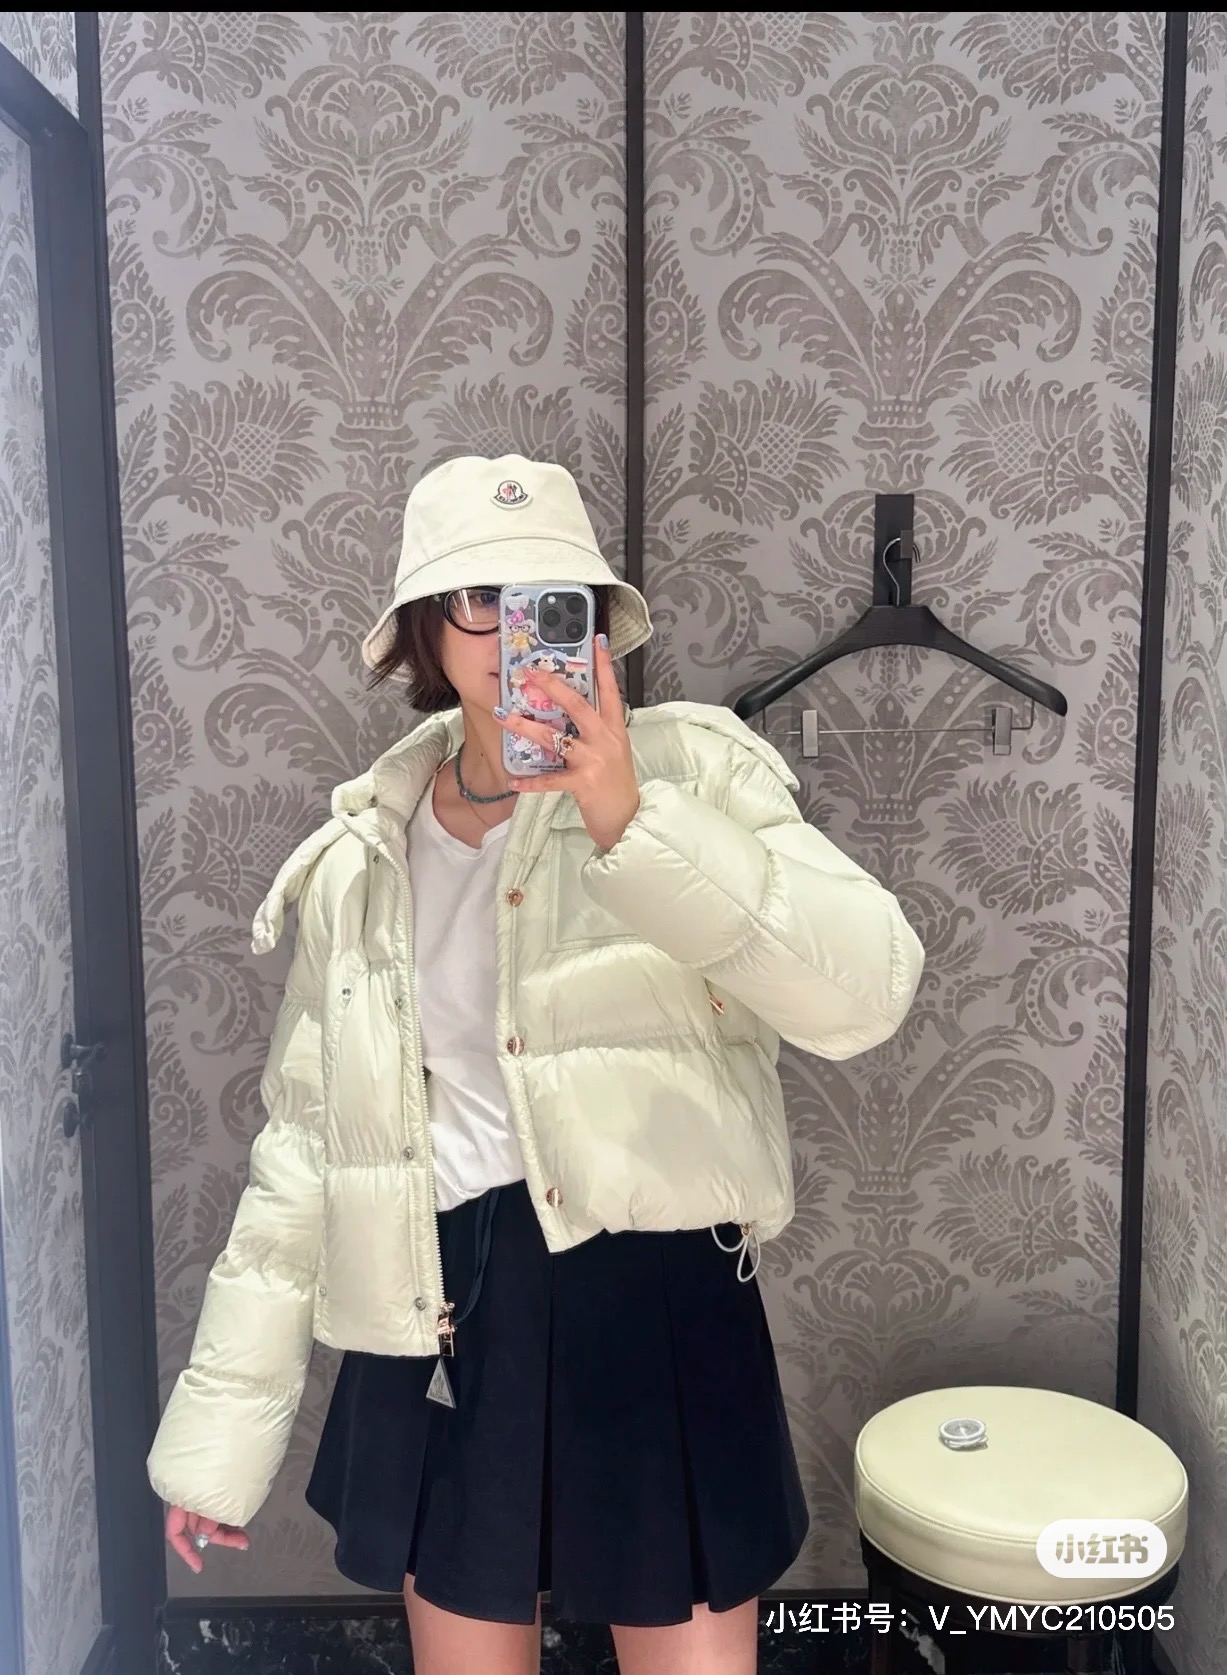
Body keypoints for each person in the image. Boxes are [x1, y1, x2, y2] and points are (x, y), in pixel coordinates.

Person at [147, 454, 925, 1674]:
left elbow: (866, 989)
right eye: (478, 597)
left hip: (658, 1302)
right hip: (441, 1307)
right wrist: (217, 1445)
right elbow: (305, 1149)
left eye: (545, 597)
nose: (510, 627)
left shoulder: (695, 770)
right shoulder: (364, 855)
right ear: (424, 625)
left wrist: (632, 817)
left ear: (593, 618)